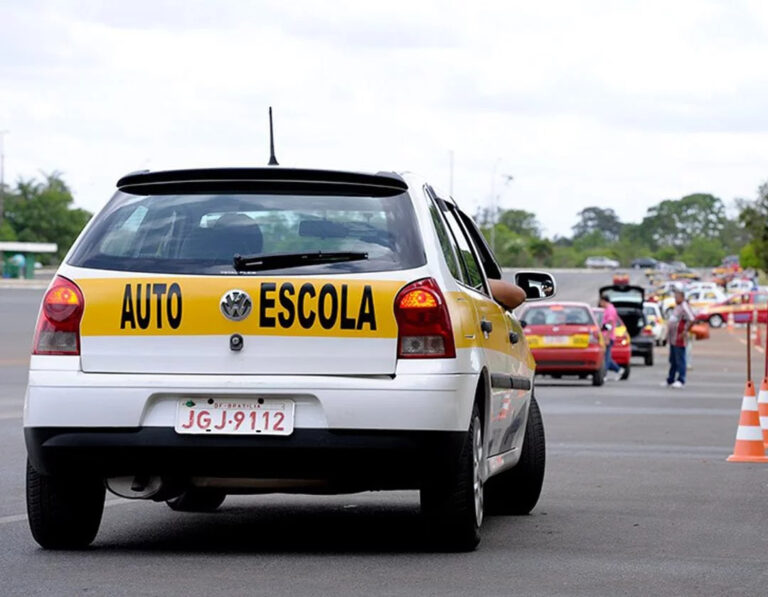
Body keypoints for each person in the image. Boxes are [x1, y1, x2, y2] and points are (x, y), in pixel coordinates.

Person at [665, 287, 695, 388]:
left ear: (682, 297)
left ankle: (681, 379)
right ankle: (671, 379)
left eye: (677, 296)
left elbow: (691, 319)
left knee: (680, 359)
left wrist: (685, 331)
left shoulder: (684, 306)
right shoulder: (677, 307)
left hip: (679, 337)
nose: (675, 298)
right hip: (673, 338)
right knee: (672, 359)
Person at [598, 294, 625, 381]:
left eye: (600, 301)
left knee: (606, 358)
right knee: (607, 356)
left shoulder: (610, 310)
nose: (599, 303)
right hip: (606, 335)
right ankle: (619, 370)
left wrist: (607, 338)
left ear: (603, 301)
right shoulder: (609, 309)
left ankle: (604, 374)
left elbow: (610, 324)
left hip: (608, 336)